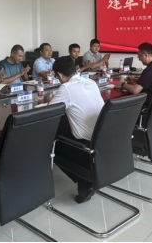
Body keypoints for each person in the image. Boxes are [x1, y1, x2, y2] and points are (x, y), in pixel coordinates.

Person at [49, 56, 105, 204]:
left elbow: (49, 112)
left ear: (60, 75)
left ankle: (85, 181)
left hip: (86, 144)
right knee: (63, 124)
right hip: (103, 137)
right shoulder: (91, 82)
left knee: (49, 142)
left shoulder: (66, 88)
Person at [116, 42, 152, 109]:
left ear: (145, 55)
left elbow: (135, 90)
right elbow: (150, 81)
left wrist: (122, 84)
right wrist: (134, 80)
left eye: (139, 56)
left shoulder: (150, 70)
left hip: (146, 106)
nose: (139, 59)